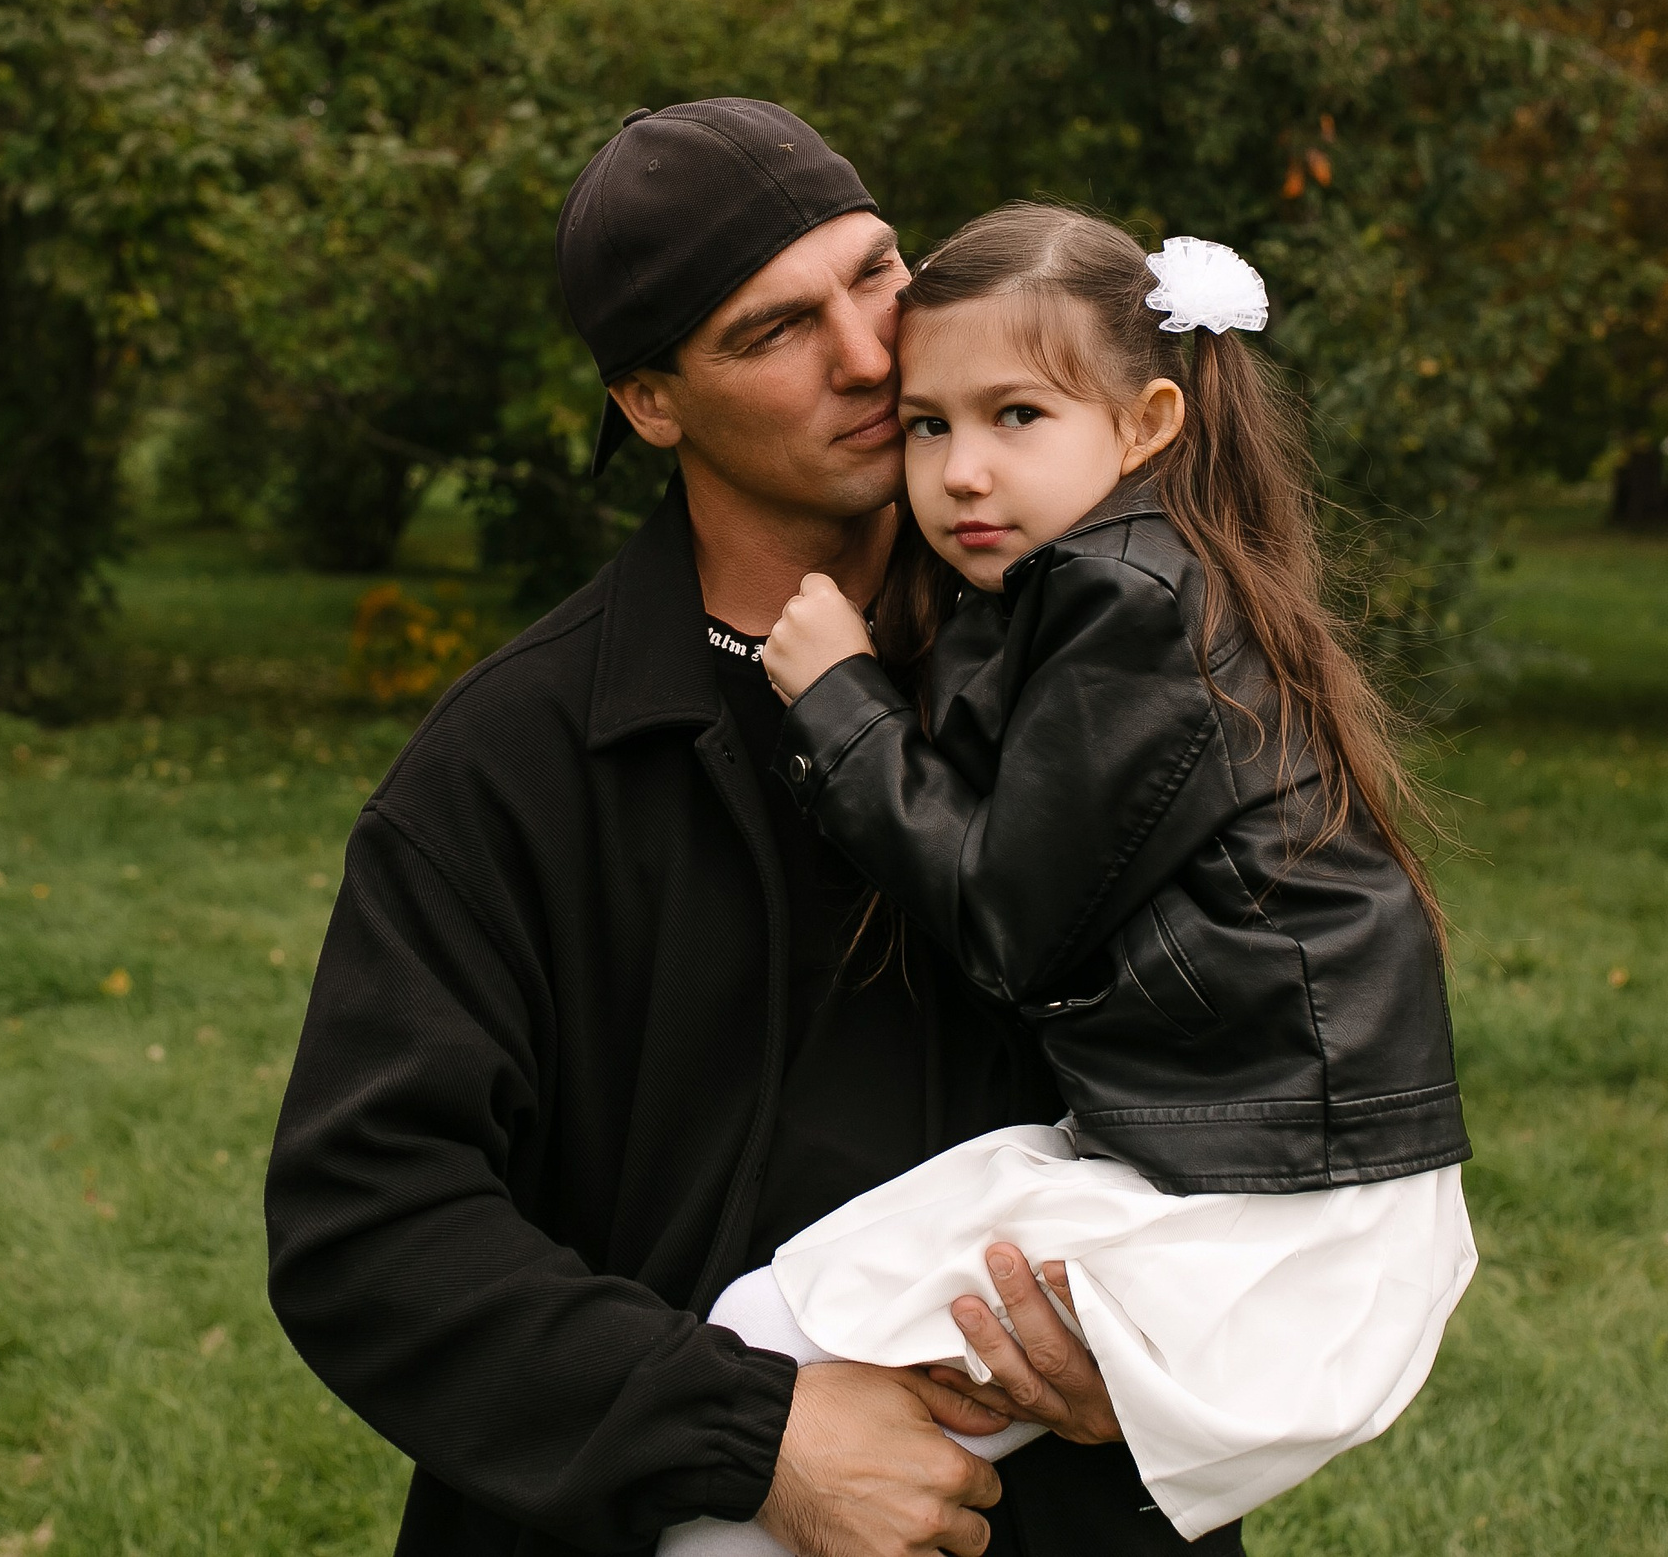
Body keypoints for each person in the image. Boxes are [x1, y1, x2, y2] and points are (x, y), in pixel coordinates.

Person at [265, 101, 1244, 1557]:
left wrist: (1162, 1330)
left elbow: (1298, 1034)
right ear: (651, 403)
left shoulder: (1125, 666)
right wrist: (747, 1434)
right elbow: (371, 1223)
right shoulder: (512, 767)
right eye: (772, 330)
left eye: (876, 272)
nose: (867, 353)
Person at [657, 204, 1477, 1550]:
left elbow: (1006, 922)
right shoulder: (1112, 579)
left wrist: (841, 705)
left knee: (769, 1354)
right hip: (1248, 1156)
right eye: (929, 425)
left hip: (1277, 1198)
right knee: (788, 1366)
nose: (964, 472)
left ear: (1149, 424)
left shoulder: (1131, 606)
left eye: (1017, 418)